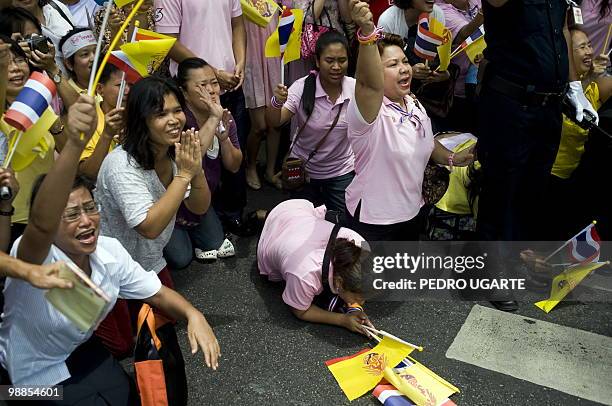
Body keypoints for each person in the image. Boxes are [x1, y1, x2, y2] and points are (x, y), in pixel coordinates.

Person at [0, 95, 220, 400]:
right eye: (72, 215)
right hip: (28, 378)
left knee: (128, 397)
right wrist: (76, 143)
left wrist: (195, 315)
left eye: (90, 208)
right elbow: (40, 223)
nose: (87, 221)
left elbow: (158, 293)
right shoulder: (35, 254)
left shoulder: (109, 252)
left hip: (81, 351)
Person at [475, 0, 598, 311]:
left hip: (549, 104)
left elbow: (564, 30)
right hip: (510, 101)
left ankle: (516, 259)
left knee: (533, 188)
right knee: (501, 189)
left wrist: (574, 86)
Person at [95, 76, 211, 357]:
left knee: (162, 325)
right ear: (141, 120)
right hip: (109, 268)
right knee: (121, 346)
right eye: (161, 114)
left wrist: (195, 171)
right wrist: (184, 174)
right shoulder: (121, 165)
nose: (174, 120)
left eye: (177, 110)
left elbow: (199, 207)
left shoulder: (175, 152)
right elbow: (149, 226)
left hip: (149, 260)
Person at [344, 1, 473, 242]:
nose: (404, 69)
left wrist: (453, 158)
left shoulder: (412, 102)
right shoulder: (369, 111)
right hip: (375, 222)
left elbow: (424, 139)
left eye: (404, 61)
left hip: (414, 213)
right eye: (393, 65)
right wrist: (366, 34)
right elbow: (368, 84)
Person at [155, 0, 250, 235]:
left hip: (229, 85)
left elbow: (237, 24)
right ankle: (200, 218)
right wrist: (213, 74)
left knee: (232, 148)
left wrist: (240, 63)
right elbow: (168, 42)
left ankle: (233, 214)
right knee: (197, 155)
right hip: (195, 92)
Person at [268, 30, 356, 214]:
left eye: (342, 60)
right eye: (329, 60)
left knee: (341, 227)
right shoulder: (301, 87)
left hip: (342, 173)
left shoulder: (354, 89)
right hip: (304, 173)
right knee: (303, 223)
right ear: (317, 61)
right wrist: (277, 102)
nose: (336, 67)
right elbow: (275, 122)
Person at [258, 199, 373, 335]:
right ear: (339, 282)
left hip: (296, 211)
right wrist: (342, 320)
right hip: (276, 234)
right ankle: (264, 217)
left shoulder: (360, 244)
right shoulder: (304, 274)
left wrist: (355, 308)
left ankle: (268, 215)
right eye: (358, 297)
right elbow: (300, 311)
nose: (362, 302)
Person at [167, 57, 242, 266]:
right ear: (183, 92)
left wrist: (224, 138)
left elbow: (234, 165)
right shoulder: (177, 120)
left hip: (201, 197)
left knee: (214, 243)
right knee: (181, 259)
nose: (211, 90)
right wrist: (213, 119)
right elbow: (192, 159)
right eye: (202, 85)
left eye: (214, 83)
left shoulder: (223, 116)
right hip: (171, 201)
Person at [548, 29, 612, 240]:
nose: (588, 52)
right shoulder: (555, 84)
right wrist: (590, 78)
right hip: (551, 176)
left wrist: (596, 76)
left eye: (589, 45)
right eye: (581, 47)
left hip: (575, 177)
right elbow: (569, 103)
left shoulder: (595, 83)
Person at [0, 35, 65, 243]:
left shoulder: (36, 103)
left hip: (49, 213)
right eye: (4, 64)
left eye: (18, 60)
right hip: (12, 221)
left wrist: (54, 123)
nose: (15, 69)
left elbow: (67, 149)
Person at [244, 9, 281, 190]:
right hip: (250, 52)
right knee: (259, 126)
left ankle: (270, 170)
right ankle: (250, 165)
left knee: (276, 122)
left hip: (274, 50)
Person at [437, 0, 483, 132]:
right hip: (461, 92)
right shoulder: (440, 11)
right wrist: (486, 10)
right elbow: (465, 34)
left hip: (486, 78)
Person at [79, 63, 129, 179]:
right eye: (120, 85)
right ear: (100, 89)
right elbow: (87, 174)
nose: (127, 90)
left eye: (131, 84)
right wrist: (107, 135)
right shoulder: (87, 120)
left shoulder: (141, 117)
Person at [13, 0, 76, 72]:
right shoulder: (10, 23)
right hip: (45, 79)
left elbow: (78, 34)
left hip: (80, 76)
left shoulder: (56, 6)